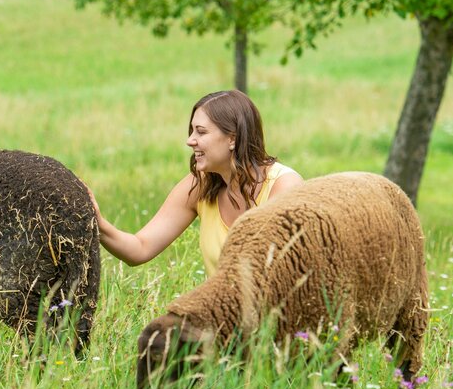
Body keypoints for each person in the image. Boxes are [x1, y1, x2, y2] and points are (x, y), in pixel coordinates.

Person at [92, 90, 303, 276]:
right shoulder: (201, 185)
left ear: (232, 139)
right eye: (192, 131)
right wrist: (98, 222)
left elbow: (275, 273)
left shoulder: (284, 187)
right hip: (223, 313)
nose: (190, 140)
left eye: (201, 132)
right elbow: (140, 248)